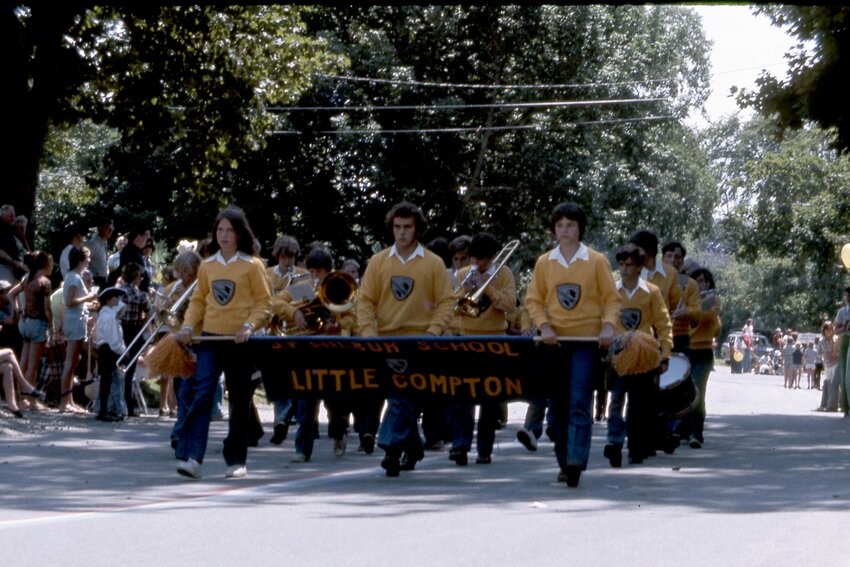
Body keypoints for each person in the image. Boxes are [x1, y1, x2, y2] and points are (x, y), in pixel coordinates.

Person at [524, 202, 620, 487]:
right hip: (554, 342)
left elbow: (611, 299)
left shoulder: (596, 260)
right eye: (560, 225)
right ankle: (564, 460)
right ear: (554, 229)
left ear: (580, 228)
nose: (565, 230)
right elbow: (533, 299)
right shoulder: (545, 262)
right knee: (558, 408)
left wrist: (607, 326)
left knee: (580, 401)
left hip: (585, 342)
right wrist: (544, 326)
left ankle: (577, 460)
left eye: (571, 225)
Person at [356, 202, 454, 477]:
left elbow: (446, 302)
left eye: (407, 227)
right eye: (397, 227)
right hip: (387, 339)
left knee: (403, 396)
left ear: (417, 229)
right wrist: (367, 333)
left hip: (421, 340)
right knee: (400, 396)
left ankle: (390, 447)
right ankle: (413, 447)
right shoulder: (378, 262)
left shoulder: (433, 263)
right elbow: (365, 300)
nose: (401, 232)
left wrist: (433, 332)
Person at [174, 206, 271, 480]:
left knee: (239, 401)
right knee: (203, 393)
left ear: (240, 234)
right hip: (211, 340)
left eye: (230, 230)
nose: (224, 235)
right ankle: (192, 457)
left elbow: (265, 303)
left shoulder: (253, 265)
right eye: (220, 230)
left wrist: (249, 325)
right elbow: (199, 301)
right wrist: (188, 326)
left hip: (240, 341)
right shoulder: (208, 265)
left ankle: (236, 461)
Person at [447, 232, 516, 466]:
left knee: (489, 397)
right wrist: (466, 290)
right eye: (473, 259)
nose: (477, 264)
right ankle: (460, 446)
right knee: (462, 396)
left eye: (482, 260)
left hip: (494, 340)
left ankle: (484, 450)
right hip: (466, 339)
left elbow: (509, 305)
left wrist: (487, 289)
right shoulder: (464, 274)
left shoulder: (504, 274)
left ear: (493, 257)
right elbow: (452, 308)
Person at [603, 243, 672, 467]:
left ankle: (635, 448)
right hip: (620, 356)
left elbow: (663, 324)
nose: (624, 269)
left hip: (644, 357)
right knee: (615, 401)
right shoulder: (612, 291)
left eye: (629, 265)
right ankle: (614, 443)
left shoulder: (651, 292)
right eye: (621, 264)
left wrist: (665, 354)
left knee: (639, 405)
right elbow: (605, 321)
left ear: (640, 267)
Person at [265, 235, 308, 444]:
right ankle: (280, 419)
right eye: (283, 257)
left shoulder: (302, 276)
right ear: (277, 256)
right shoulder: (266, 275)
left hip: (295, 333)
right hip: (272, 333)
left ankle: (291, 415)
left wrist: (284, 307)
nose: (287, 261)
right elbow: (265, 302)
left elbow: (304, 304)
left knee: (296, 378)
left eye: (291, 257)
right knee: (277, 378)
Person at [58, 246, 97, 413]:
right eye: (87, 257)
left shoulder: (73, 276)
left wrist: (89, 304)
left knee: (74, 361)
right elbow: (69, 302)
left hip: (76, 320)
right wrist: (90, 296)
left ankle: (69, 400)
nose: (89, 260)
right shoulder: (74, 278)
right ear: (81, 259)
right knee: (70, 362)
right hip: (74, 323)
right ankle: (63, 403)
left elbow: (75, 303)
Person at [687, 267, 721, 448]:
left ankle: (696, 432)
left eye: (704, 281)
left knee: (697, 390)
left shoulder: (711, 299)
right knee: (684, 393)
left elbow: (707, 316)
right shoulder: (687, 299)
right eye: (697, 280)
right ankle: (683, 429)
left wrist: (691, 308)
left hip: (703, 352)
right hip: (687, 350)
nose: (701, 284)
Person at [18, 252, 54, 394]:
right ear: (46, 264)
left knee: (24, 362)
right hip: (38, 323)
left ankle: (19, 395)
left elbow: (11, 293)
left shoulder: (28, 278)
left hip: (25, 322)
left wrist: (20, 310)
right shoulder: (45, 282)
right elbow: (47, 310)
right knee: (33, 365)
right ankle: (29, 397)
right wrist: (52, 328)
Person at [118, 263, 150, 417]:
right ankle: (128, 405)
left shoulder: (118, 292)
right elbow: (148, 313)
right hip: (135, 330)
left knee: (118, 366)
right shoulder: (141, 295)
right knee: (130, 370)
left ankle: (116, 402)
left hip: (120, 330)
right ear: (137, 278)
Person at [93, 286, 126, 422]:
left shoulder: (106, 314)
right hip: (109, 350)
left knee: (107, 380)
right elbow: (113, 339)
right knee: (108, 381)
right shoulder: (110, 316)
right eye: (115, 297)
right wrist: (123, 351)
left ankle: (105, 409)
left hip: (106, 349)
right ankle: (104, 410)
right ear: (108, 299)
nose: (117, 300)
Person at [815, 321, 839, 411]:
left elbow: (841, 351)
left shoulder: (837, 339)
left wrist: (834, 355)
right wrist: (824, 356)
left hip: (836, 363)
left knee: (835, 383)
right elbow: (818, 353)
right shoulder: (821, 340)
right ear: (824, 330)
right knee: (828, 383)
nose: (828, 331)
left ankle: (835, 404)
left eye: (830, 329)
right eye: (826, 329)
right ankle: (826, 403)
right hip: (827, 364)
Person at [833, 287, 850, 417]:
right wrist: (844, 327)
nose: (847, 298)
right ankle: (845, 406)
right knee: (845, 374)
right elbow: (836, 331)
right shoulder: (842, 312)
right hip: (845, 341)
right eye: (846, 296)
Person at [0, 205, 26, 283]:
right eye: (11, 216)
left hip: (12, 268)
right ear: (2, 214)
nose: (13, 219)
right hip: (3, 267)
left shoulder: (9, 229)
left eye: (14, 216)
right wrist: (13, 262)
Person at [87, 219, 114, 288]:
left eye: (111, 228)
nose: (110, 230)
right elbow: (84, 263)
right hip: (94, 280)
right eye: (107, 227)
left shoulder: (104, 242)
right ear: (100, 228)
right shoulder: (92, 244)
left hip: (103, 280)